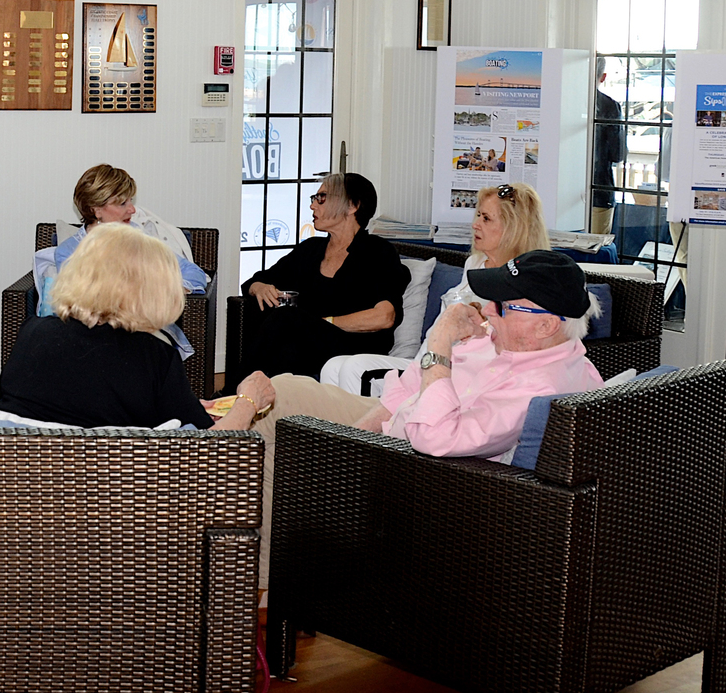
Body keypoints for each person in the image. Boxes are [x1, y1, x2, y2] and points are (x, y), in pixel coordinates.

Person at [213, 249, 604, 586]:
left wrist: (439, 342)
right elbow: (409, 382)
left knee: (274, 463)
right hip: (389, 431)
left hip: (420, 475)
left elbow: (434, 437)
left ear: (546, 324)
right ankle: (199, 480)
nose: (487, 310)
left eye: (502, 305)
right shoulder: (504, 340)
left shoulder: (541, 386)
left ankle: (253, 584)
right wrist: (358, 432)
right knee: (283, 393)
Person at [319, 181, 549, 393]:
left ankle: (369, 436)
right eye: (477, 215)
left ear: (513, 228)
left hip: (455, 373)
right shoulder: (474, 263)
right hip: (424, 359)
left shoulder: (525, 280)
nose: (475, 224)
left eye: (486, 219)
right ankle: (337, 436)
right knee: (332, 366)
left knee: (355, 368)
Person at [0, 223, 213, 430]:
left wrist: (180, 403)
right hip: (110, 465)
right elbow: (209, 441)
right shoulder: (154, 357)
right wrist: (246, 399)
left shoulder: (32, 331)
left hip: (24, 460)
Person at [234, 172, 409, 384]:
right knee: (284, 341)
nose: (313, 206)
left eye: (322, 198)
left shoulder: (378, 251)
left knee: (287, 318)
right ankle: (273, 407)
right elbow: (258, 280)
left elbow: (384, 317)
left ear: (352, 206)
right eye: (314, 199)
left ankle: (231, 395)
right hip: (309, 342)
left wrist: (321, 323)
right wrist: (259, 287)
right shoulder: (310, 250)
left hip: (355, 347)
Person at [55, 163, 208, 292]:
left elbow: (194, 273)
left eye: (131, 201)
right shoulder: (69, 252)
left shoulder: (142, 237)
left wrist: (172, 292)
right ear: (96, 209)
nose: (132, 210)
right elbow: (79, 299)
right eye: (122, 204)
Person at [592, 55, 626, 235]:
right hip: (600, 190)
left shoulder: (563, 101)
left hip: (561, 192)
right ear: (603, 77)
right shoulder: (610, 106)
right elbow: (618, 153)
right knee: (597, 250)